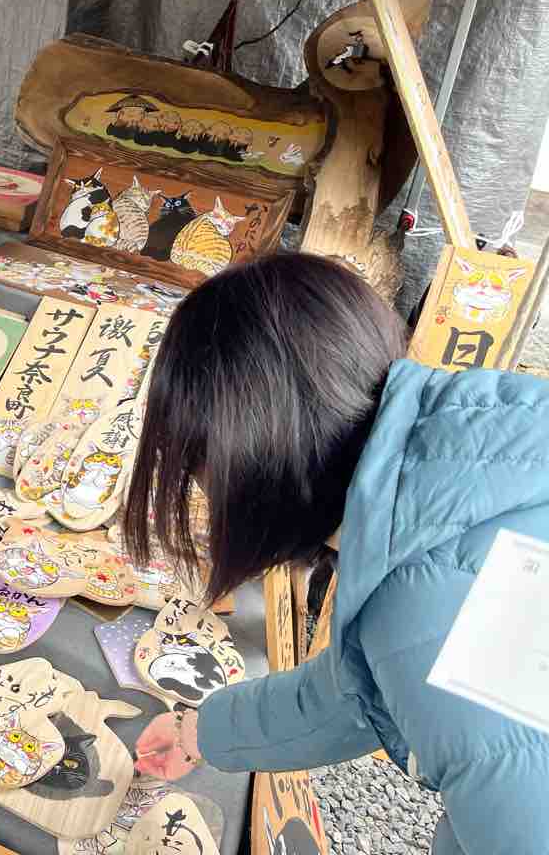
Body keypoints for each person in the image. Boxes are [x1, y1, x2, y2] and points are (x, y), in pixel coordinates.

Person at [124, 252, 549, 854]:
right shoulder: (468, 450)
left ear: (251, 467)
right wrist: (204, 731)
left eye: (198, 472)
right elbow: (362, 690)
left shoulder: (430, 615)